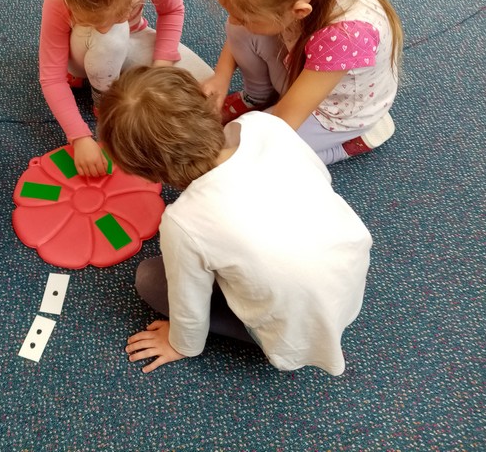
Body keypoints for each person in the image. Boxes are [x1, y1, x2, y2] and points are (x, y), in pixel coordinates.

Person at [98, 66, 372, 375]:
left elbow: (189, 304)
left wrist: (181, 345)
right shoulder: (264, 124)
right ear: (205, 104)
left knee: (149, 279)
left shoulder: (182, 222)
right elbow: (321, 180)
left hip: (298, 334)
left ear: (147, 173)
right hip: (349, 275)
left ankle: (272, 338)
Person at [203, 0, 403, 164]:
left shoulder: (346, 35)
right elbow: (239, 29)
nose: (234, 20)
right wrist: (221, 75)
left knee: (250, 153)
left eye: (246, 16)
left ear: (298, 11)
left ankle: (353, 142)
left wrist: (220, 158)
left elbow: (281, 125)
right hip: (304, 70)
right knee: (239, 32)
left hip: (334, 114)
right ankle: (257, 97)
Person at [40, 0, 213, 177]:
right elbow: (51, 76)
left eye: (120, 11)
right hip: (81, 51)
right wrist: (80, 137)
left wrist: (161, 69)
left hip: (132, 37)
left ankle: (114, 74)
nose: (107, 21)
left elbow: (172, 10)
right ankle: (102, 99)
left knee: (203, 87)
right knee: (110, 34)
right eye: (91, 18)